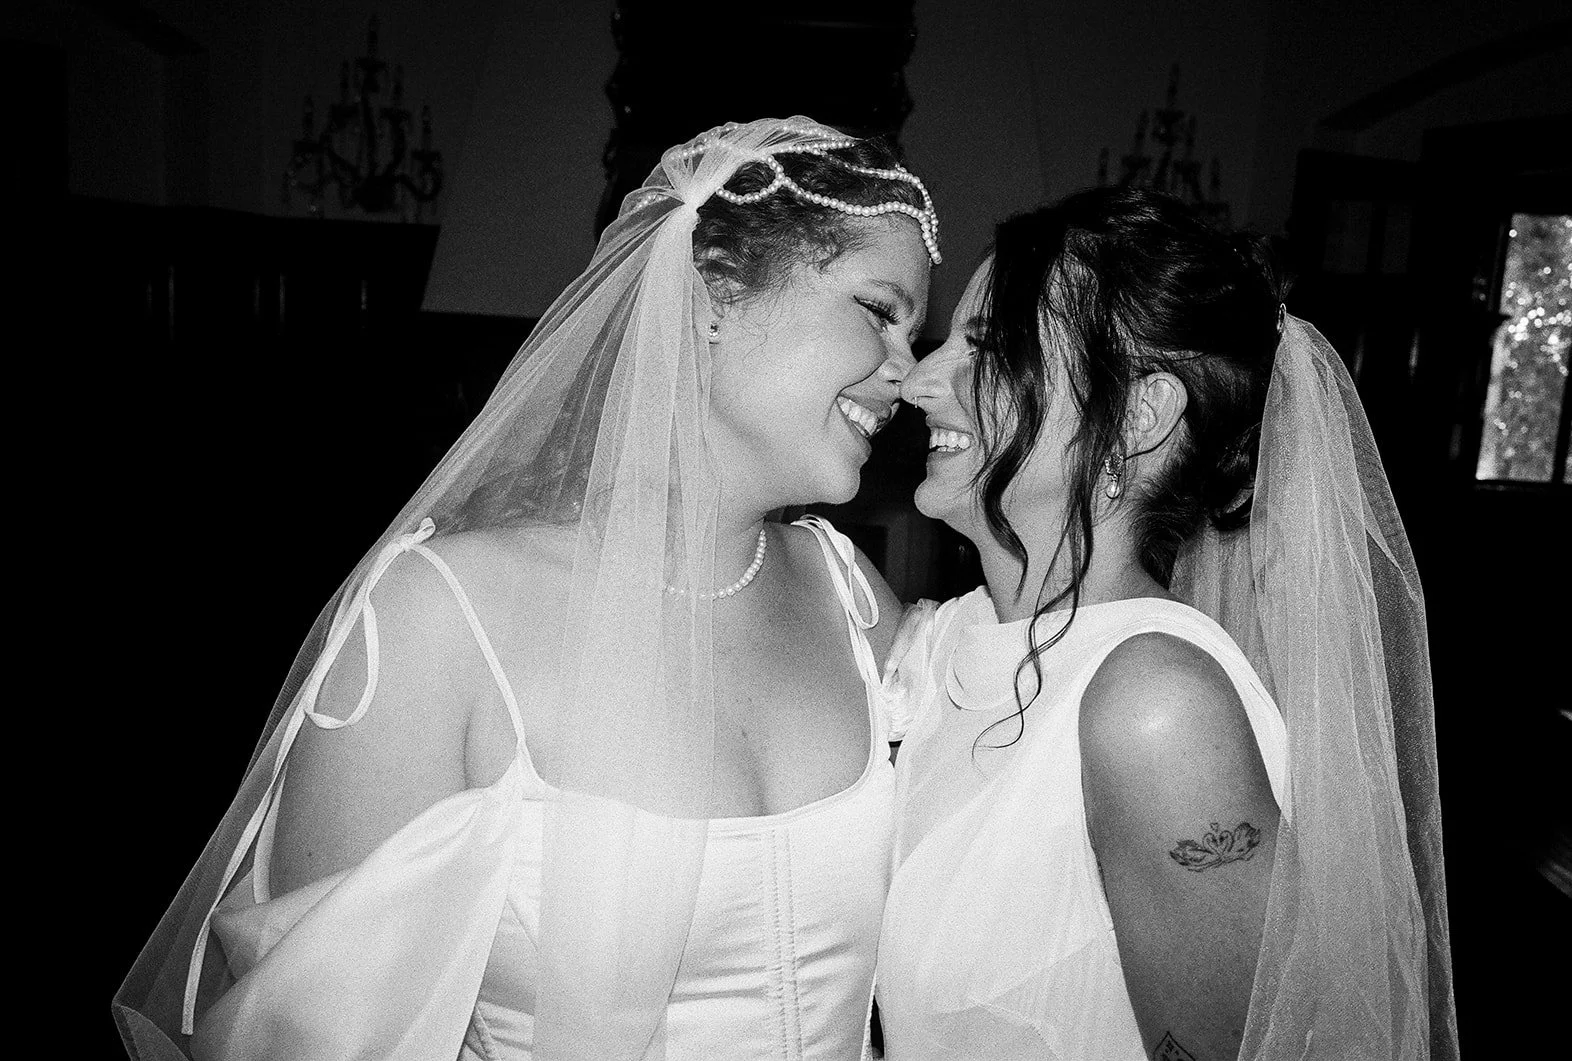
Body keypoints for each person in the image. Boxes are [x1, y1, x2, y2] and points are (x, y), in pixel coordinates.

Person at [113, 117, 940, 1061]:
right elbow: (315, 1030)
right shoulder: (441, 617)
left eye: (915, 331)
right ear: (714, 299)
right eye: (879, 311)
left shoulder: (852, 597)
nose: (907, 375)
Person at [876, 188, 1456, 1060]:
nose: (920, 379)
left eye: (989, 349)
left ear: (1137, 419)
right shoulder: (949, 638)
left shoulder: (1156, 707)